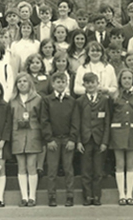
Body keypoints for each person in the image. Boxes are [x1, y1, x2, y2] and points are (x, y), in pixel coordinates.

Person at [41, 72, 79, 207]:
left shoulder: (72, 101)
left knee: (69, 169)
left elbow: (75, 121)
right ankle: (51, 196)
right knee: (52, 170)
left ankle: (70, 196)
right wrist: (49, 139)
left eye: (63, 82)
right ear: (53, 84)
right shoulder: (47, 100)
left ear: (66, 83)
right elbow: (44, 121)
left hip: (68, 139)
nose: (60, 84)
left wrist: (72, 139)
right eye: (58, 82)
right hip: (54, 140)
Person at [75, 72, 110, 206]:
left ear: (97, 83)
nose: (90, 85)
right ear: (83, 84)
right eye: (87, 83)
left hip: (99, 140)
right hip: (85, 140)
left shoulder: (104, 100)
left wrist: (105, 142)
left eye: (93, 82)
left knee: (98, 170)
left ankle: (96, 196)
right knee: (86, 170)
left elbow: (107, 122)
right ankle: (87, 196)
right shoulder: (79, 101)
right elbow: (76, 122)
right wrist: (78, 141)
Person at [110, 69, 133, 206]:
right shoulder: (115, 96)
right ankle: (121, 194)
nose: (127, 81)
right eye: (124, 78)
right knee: (120, 164)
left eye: (130, 78)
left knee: (131, 164)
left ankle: (129, 194)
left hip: (132, 132)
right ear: (120, 80)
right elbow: (111, 113)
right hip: (117, 132)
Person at [9, 73, 43, 207]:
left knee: (31, 166)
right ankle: (24, 196)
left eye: (25, 81)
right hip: (17, 135)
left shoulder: (38, 99)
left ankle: (32, 197)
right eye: (19, 82)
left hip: (33, 134)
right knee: (21, 167)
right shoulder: (12, 100)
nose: (22, 84)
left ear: (30, 83)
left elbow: (42, 118)